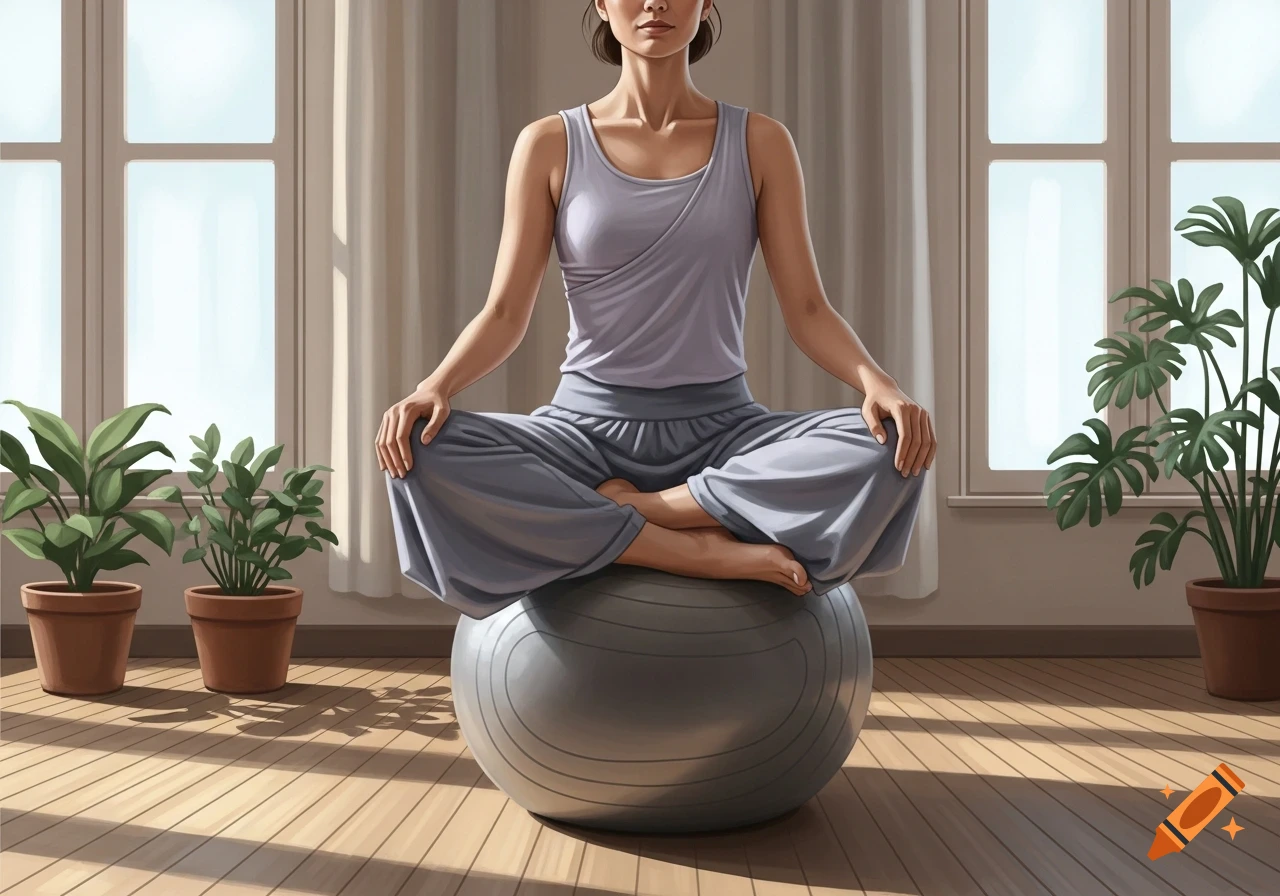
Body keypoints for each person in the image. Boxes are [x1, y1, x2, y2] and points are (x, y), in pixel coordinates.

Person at [376, 0, 934, 620]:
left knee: (887, 443)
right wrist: (435, 386)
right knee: (421, 449)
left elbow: (807, 308)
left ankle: (633, 517)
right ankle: (695, 551)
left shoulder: (759, 142)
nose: (654, 4)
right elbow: (505, 312)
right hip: (581, 436)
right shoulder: (549, 143)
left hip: (725, 433)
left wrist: (878, 384)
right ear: (600, 4)